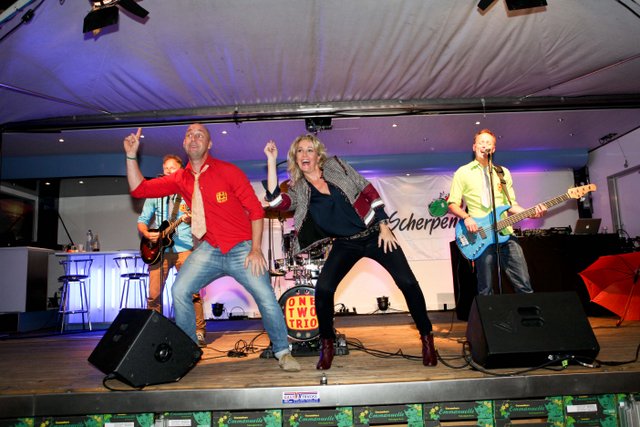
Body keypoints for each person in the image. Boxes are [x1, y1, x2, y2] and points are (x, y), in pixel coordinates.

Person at [123, 124, 300, 372]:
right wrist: (131, 156)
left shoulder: (229, 171)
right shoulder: (180, 178)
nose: (193, 138)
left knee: (265, 296)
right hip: (209, 248)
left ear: (209, 144)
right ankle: (189, 352)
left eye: (200, 135)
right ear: (184, 143)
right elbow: (139, 188)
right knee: (179, 289)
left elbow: (256, 210)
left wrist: (256, 249)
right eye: (189, 135)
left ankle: (282, 351)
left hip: (241, 248)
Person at [263, 134, 437, 370]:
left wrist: (384, 225)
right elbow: (276, 203)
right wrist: (271, 160)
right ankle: (327, 345)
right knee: (324, 290)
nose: (304, 154)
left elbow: (367, 189)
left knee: (407, 282)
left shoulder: (337, 165)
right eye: (300, 151)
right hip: (345, 244)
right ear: (295, 158)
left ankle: (427, 339)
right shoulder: (300, 190)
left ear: (318, 155)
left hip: (375, 234)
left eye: (309, 150)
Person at [448, 128, 546, 296]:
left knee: (524, 284)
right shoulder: (462, 172)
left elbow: (510, 205)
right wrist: (466, 217)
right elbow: (452, 204)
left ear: (493, 149)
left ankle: (528, 312)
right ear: (474, 147)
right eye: (481, 142)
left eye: (488, 143)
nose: (484, 145)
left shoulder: (503, 173)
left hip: (505, 232)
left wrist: (530, 213)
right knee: (485, 288)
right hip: (480, 234)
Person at [137, 154, 207, 348]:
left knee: (192, 292)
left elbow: (201, 219)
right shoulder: (155, 193)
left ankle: (199, 331)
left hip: (184, 249)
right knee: (154, 295)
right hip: (158, 251)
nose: (168, 170)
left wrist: (191, 219)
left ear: (181, 170)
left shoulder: (189, 191)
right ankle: (154, 332)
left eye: (172, 167)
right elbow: (142, 220)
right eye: (165, 168)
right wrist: (146, 233)